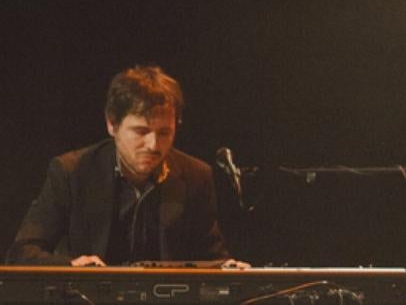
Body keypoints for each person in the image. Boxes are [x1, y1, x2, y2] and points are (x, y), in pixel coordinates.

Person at [7, 65, 245, 267]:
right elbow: (22, 252)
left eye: (164, 133)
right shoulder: (71, 171)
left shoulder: (196, 175)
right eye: (141, 131)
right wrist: (72, 268)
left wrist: (228, 269)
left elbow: (212, 258)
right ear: (112, 124)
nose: (153, 145)